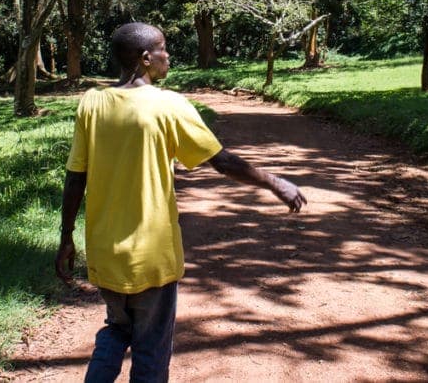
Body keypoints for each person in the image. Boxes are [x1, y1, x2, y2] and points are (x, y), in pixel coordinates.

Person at [55, 22, 306, 382]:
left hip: (105, 251)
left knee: (116, 328)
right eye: (163, 49)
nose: (167, 56)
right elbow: (222, 162)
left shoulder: (92, 103)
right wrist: (275, 182)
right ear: (145, 58)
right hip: (152, 257)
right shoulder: (169, 105)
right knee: (151, 348)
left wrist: (66, 237)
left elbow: (75, 175)